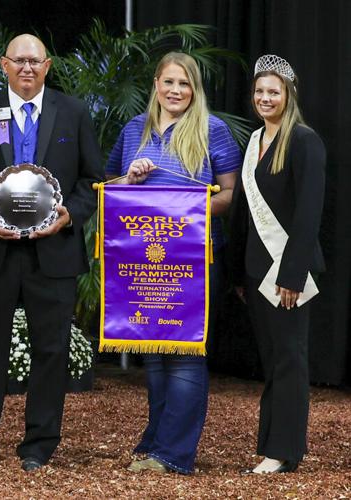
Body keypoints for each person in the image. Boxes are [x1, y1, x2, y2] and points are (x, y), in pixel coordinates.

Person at [0, 34, 101, 473]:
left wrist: (68, 216)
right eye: (18, 60)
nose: (26, 68)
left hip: (53, 250)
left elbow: (91, 180)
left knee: (51, 349)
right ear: (3, 64)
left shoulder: (73, 113)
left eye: (34, 61)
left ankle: (39, 443)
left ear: (48, 65)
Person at [105, 52, 240, 475]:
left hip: (193, 260)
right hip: (141, 261)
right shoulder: (133, 131)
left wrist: (185, 214)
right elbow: (109, 187)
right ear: (156, 86)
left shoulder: (212, 130)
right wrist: (131, 179)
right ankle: (155, 442)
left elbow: (231, 196)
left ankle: (172, 454)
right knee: (156, 352)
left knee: (183, 353)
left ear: (194, 89)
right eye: (168, 82)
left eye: (184, 84)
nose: (175, 91)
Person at [227, 54, 324, 475]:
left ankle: (284, 450)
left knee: (289, 359)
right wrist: (237, 273)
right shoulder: (253, 142)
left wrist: (292, 274)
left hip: (287, 272)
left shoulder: (303, 140)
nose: (265, 98)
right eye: (260, 91)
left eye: (274, 91)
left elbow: (308, 213)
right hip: (255, 271)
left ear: (288, 95)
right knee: (272, 361)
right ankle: (272, 444)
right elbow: (244, 215)